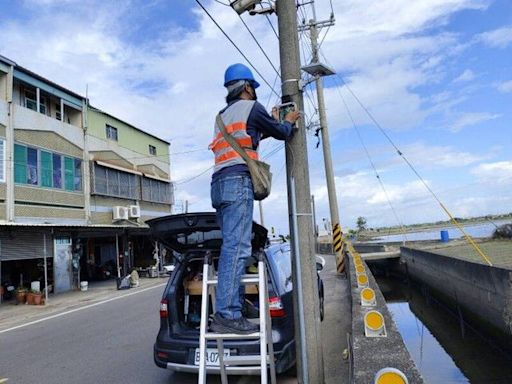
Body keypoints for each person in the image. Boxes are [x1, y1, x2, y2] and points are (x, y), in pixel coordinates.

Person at [209, 63, 300, 334]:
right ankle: (227, 313)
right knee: (237, 249)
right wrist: (288, 121)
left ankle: (235, 305)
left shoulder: (221, 115)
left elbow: (247, 139)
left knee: (231, 247)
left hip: (219, 183)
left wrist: (271, 120)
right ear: (248, 87)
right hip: (238, 182)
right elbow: (283, 133)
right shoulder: (252, 108)